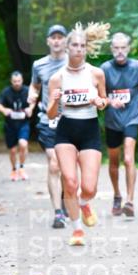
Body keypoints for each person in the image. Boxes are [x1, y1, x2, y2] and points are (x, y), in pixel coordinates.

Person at [46, 22, 109, 246]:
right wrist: (55, 100)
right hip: (66, 131)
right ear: (67, 47)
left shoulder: (96, 73)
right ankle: (77, 230)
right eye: (75, 45)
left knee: (89, 188)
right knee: (70, 182)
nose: (79, 49)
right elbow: (50, 113)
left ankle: (84, 203)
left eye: (82, 46)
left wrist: (98, 101)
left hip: (90, 130)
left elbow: (104, 101)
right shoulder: (57, 78)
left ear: (86, 48)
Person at [101, 32, 138, 218]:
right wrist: (110, 100)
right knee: (114, 161)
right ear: (111, 49)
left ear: (129, 48)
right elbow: (97, 93)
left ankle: (130, 201)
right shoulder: (104, 69)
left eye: (123, 48)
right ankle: (117, 195)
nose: (120, 51)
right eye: (116, 48)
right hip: (112, 120)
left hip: (132, 117)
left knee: (128, 158)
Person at [28, 24, 70, 228]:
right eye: (53, 37)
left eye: (60, 37)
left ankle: (64, 197)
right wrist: (31, 95)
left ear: (66, 40)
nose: (56, 40)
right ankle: (58, 212)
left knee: (67, 167)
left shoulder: (74, 62)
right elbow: (34, 85)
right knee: (54, 164)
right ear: (48, 41)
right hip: (48, 120)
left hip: (71, 119)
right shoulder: (39, 65)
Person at [0, 71, 32, 181]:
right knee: (12, 150)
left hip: (23, 123)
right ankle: (13, 169)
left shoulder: (27, 90)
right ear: (11, 81)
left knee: (23, 144)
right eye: (14, 81)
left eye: (19, 81)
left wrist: (30, 109)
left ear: (22, 80)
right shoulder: (6, 92)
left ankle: (22, 167)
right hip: (10, 125)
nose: (17, 83)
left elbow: (33, 101)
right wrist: (4, 110)